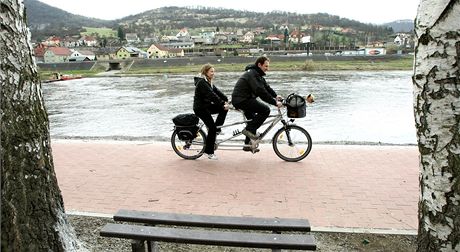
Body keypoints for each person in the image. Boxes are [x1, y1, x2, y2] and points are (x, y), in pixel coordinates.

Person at [231, 56, 282, 152]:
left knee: (253, 120)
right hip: (241, 100)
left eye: (268, 66)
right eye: (266, 66)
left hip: (244, 99)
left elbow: (266, 87)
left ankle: (247, 145)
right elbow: (260, 91)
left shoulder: (257, 74)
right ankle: (248, 131)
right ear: (259, 65)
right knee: (265, 110)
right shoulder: (252, 74)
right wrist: (274, 103)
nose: (268, 68)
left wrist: (275, 96)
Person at [193, 63, 229, 160]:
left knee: (224, 109)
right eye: (211, 71)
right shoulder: (202, 83)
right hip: (200, 109)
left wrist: (227, 100)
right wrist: (222, 104)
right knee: (212, 128)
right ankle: (208, 152)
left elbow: (217, 92)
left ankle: (217, 129)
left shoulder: (208, 81)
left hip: (206, 106)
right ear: (206, 72)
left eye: (214, 71)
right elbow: (212, 95)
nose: (213, 73)